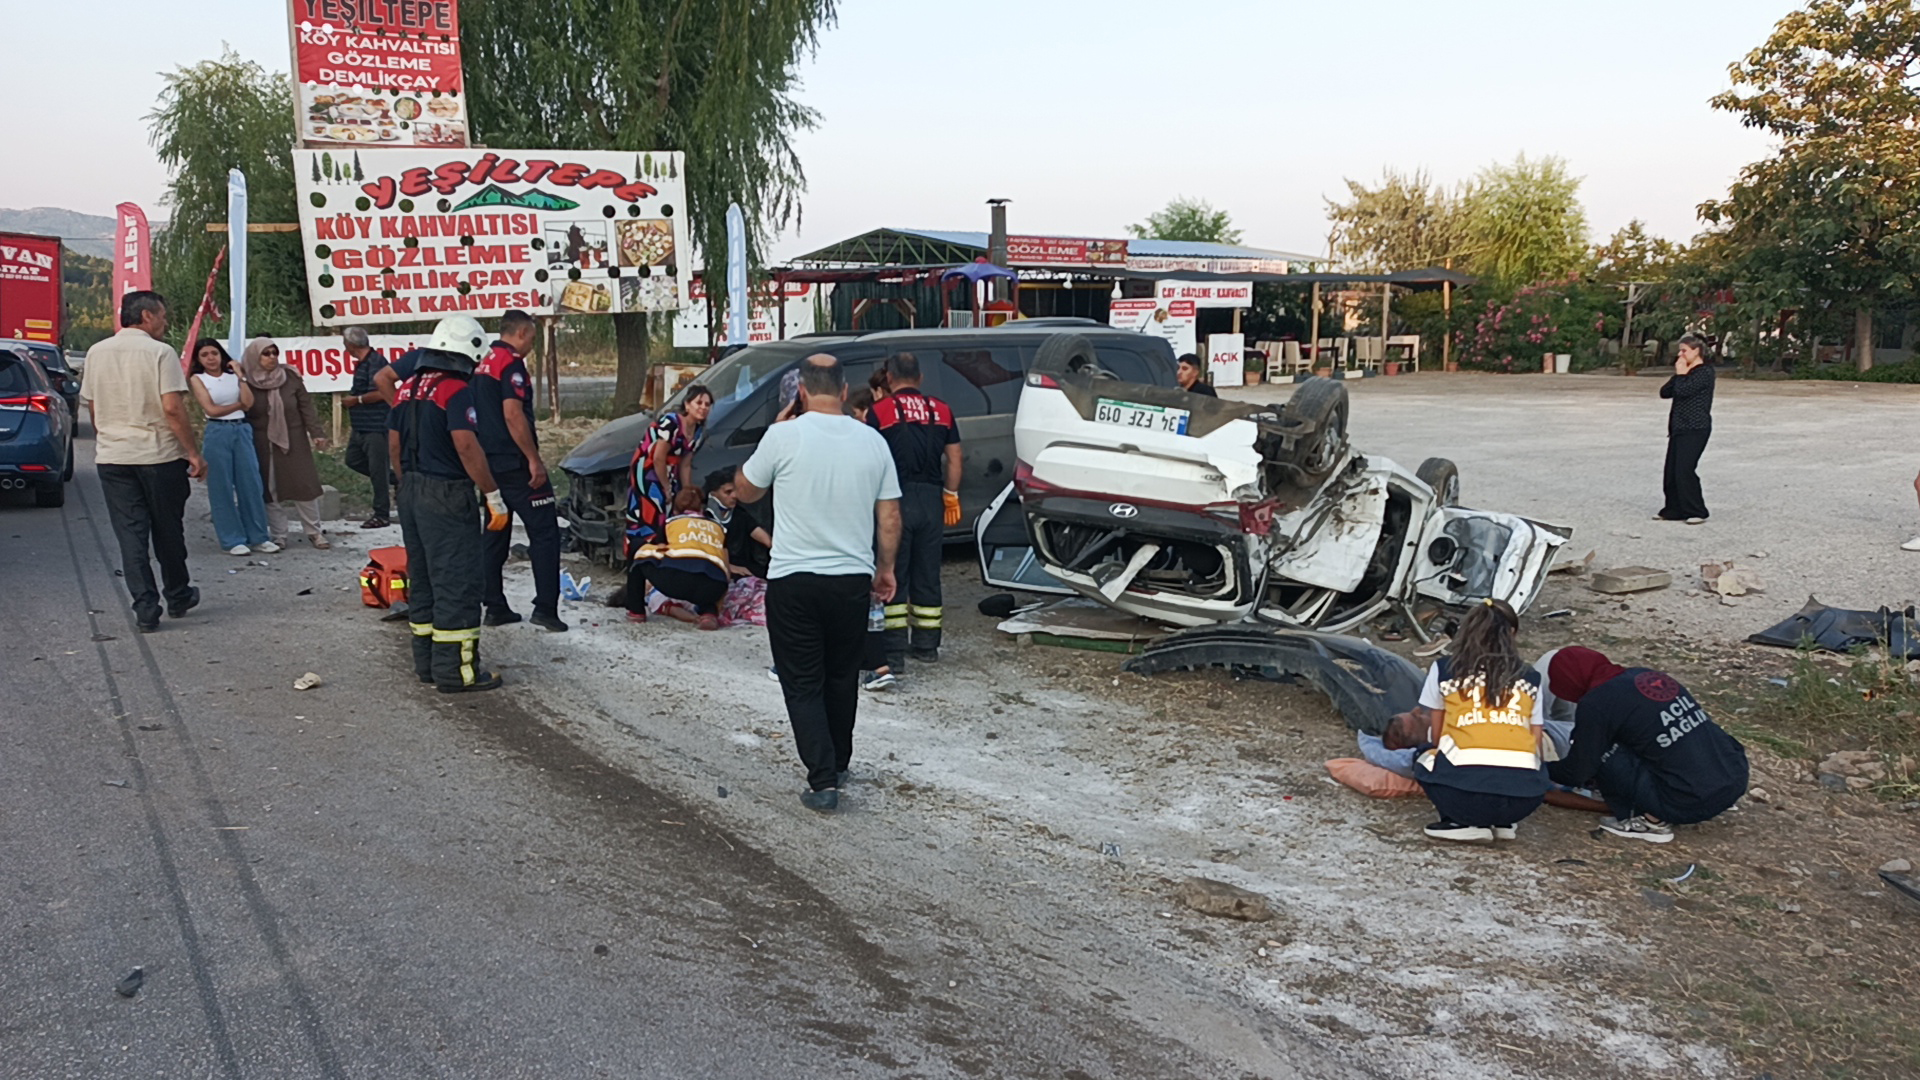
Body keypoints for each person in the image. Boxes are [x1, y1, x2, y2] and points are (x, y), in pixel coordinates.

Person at [735, 353, 901, 812]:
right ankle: (839, 760)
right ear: (845, 391)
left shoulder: (782, 436)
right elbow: (889, 515)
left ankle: (823, 779)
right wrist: (884, 569)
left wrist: (780, 425)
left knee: (802, 680)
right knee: (841, 675)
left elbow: (745, 491)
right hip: (851, 578)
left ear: (802, 392)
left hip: (794, 579)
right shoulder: (872, 442)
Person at [389, 315, 511, 693]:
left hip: (411, 489)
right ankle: (457, 672)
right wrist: (493, 495)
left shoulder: (408, 387)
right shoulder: (455, 390)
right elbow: (466, 444)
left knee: (424, 579)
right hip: (446, 494)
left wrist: (405, 481)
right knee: (457, 581)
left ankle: (427, 664)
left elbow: (393, 443)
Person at [81, 290, 206, 632]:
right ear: (147, 316)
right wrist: (192, 452)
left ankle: (146, 609)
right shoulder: (160, 353)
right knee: (168, 530)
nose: (165, 322)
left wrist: (109, 436)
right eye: (162, 316)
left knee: (130, 535)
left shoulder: (96, 352)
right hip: (159, 455)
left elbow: (92, 407)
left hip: (113, 458)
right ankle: (178, 595)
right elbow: (172, 407)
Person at [1546, 647, 1750, 843]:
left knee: (1604, 751)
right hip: (1734, 777)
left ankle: (1652, 821)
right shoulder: (1643, 676)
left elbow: (1578, 771)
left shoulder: (1597, 702)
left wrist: (1539, 769)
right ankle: (1705, 788)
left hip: (1687, 802)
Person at [1390, 598, 1550, 843]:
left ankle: (1458, 821)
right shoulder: (1530, 678)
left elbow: (1437, 736)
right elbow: (1536, 740)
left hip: (1466, 795)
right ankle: (1503, 822)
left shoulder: (1445, 669)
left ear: (1466, 632)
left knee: (1424, 755)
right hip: (1525, 798)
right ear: (1512, 634)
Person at [866, 351, 962, 670]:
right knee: (927, 571)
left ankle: (893, 650)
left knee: (894, 570)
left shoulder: (880, 411)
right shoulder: (943, 410)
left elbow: (871, 457)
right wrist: (950, 495)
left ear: (889, 379)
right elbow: (955, 458)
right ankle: (927, 645)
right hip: (933, 500)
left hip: (895, 499)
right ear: (920, 378)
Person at [472, 310, 566, 632]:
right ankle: (546, 608)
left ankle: (494, 606)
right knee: (544, 533)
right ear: (523, 333)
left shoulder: (482, 362)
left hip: (488, 465)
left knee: (496, 531)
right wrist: (533, 459)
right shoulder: (510, 364)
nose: (530, 346)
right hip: (515, 464)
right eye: (532, 339)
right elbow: (513, 415)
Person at [187, 338, 277, 557]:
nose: (210, 358)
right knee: (222, 486)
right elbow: (212, 409)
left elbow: (250, 401)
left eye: (214, 353)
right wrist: (238, 406)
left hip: (241, 429)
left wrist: (240, 375)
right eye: (205, 355)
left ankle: (258, 536)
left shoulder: (233, 377)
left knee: (251, 483)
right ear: (199, 359)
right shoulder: (198, 378)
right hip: (218, 431)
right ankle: (232, 538)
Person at [240, 337, 331, 549]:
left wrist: (317, 433)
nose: (272, 357)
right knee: (270, 488)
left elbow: (306, 407)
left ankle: (314, 532)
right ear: (255, 356)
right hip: (261, 440)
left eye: (274, 353)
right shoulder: (246, 380)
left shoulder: (289, 376)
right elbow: (243, 409)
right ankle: (279, 534)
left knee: (304, 484)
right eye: (266, 353)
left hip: (294, 437)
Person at [624, 384, 714, 559]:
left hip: (669, 470)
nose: (703, 408)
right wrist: (666, 487)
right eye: (699, 403)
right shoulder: (670, 423)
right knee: (652, 508)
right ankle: (643, 552)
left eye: (707, 404)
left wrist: (687, 492)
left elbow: (686, 463)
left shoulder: (698, 431)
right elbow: (658, 457)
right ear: (687, 405)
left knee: (671, 509)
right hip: (648, 470)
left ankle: (663, 552)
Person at [626, 487, 729, 630]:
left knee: (637, 547)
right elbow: (725, 565)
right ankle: (708, 613)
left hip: (676, 581)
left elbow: (660, 548)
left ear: (675, 508)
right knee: (707, 570)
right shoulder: (718, 527)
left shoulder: (672, 522)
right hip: (713, 587)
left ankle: (636, 611)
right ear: (701, 506)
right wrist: (720, 599)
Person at [1655, 333, 1714, 524]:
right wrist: (1679, 374)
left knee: (1685, 470)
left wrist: (1681, 375)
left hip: (1696, 427)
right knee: (1671, 471)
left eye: (1684, 351)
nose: (1680, 355)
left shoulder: (1705, 372)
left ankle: (1696, 510)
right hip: (1678, 427)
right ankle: (1674, 509)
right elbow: (1665, 392)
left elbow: (1684, 390)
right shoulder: (1684, 373)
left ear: (1696, 351)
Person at [340, 326, 393, 529]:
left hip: (376, 425)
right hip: (361, 425)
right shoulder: (363, 363)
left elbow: (383, 392)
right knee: (353, 460)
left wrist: (358, 400)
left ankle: (382, 514)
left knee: (378, 471)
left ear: (351, 345)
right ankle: (399, 479)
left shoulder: (376, 362)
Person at [703, 467, 771, 580]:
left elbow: (764, 538)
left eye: (736, 491)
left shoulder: (740, 515)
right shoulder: (702, 518)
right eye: (728, 492)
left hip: (744, 567)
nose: (734, 496)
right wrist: (728, 567)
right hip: (713, 568)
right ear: (713, 494)